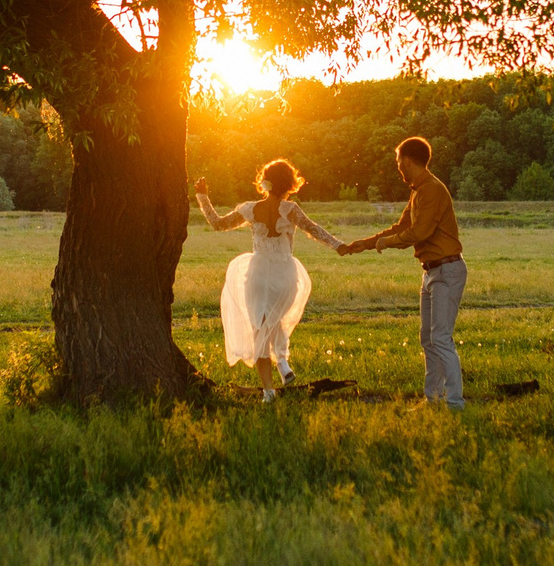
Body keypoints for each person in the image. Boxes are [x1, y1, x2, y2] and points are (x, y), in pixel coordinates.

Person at [194, 159, 338, 400]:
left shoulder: (250, 209)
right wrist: (339, 245)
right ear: (290, 184)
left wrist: (202, 197)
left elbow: (217, 224)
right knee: (276, 320)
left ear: (266, 183)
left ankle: (269, 391)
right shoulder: (291, 210)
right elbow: (314, 230)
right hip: (285, 274)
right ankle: (282, 361)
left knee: (260, 328)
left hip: (258, 275)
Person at [337, 136, 464, 406]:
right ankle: (433, 400)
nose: (397, 169)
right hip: (430, 271)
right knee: (428, 339)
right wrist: (367, 244)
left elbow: (419, 232)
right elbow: (400, 227)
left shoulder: (432, 190)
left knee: (440, 338)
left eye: (397, 163)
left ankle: (455, 404)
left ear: (406, 161)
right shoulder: (418, 190)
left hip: (446, 270)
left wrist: (386, 243)